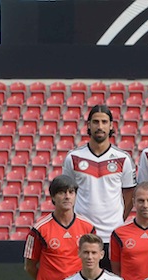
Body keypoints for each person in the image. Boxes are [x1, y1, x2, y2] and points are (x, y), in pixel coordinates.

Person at [61, 105, 135, 267]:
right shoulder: (73, 158)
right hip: (82, 235)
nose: (100, 126)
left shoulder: (123, 159)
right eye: (95, 122)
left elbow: (129, 194)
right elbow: (66, 193)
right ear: (88, 125)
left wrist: (118, 219)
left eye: (104, 122)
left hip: (113, 235)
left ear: (111, 126)